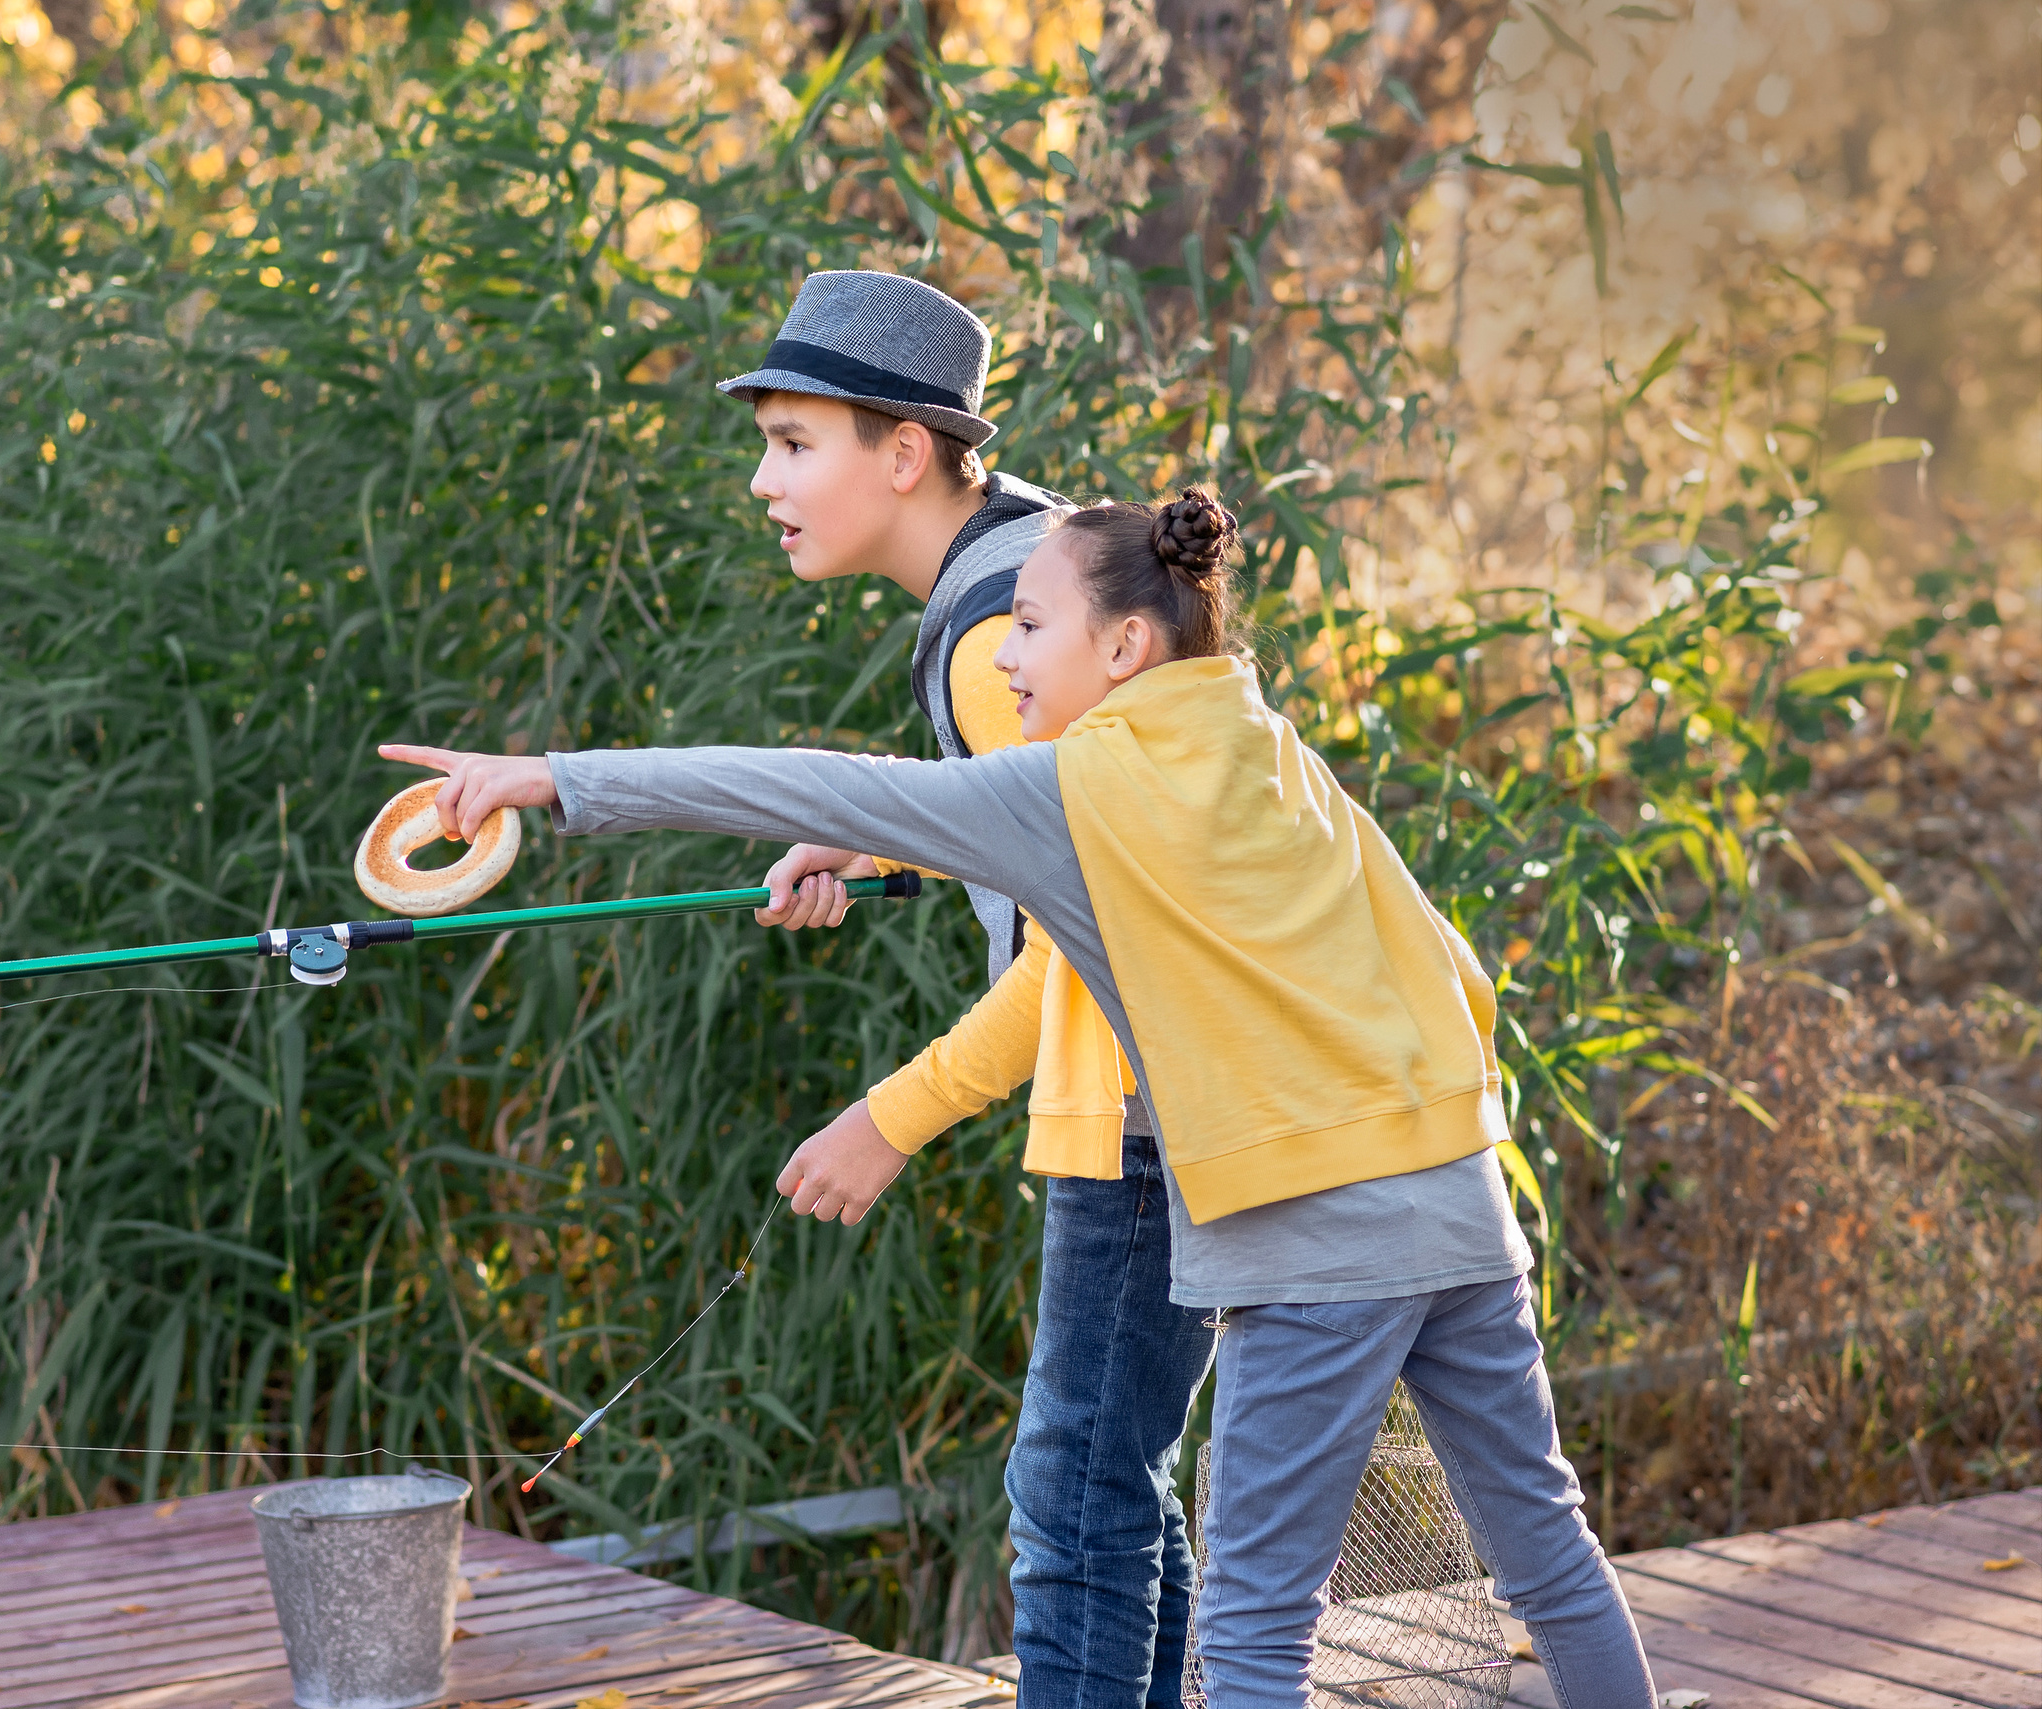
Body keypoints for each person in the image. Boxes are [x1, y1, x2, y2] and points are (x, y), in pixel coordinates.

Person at [378, 488, 1657, 1709]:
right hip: (1460, 1202)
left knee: (1257, 1619)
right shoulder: (1272, 754)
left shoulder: (1079, 788)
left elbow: (805, 780)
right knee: (1543, 1548)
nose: (1001, 659)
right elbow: (1438, 956)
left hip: (1314, 1242)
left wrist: (552, 778)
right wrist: (891, 839)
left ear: (1125, 642)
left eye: (1029, 625)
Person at [717, 270, 1214, 1708]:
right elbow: (1087, 818)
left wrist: (894, 1115)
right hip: (1191, 1085)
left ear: (905, 453)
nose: (766, 480)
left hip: (1134, 1098)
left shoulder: (992, 622)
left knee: (1070, 1503)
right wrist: (889, 828)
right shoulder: (1032, 558)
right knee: (1121, 1481)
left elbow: (1088, 924)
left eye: (794, 443)